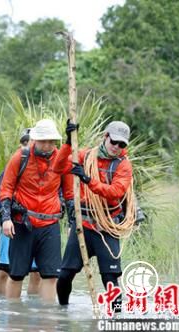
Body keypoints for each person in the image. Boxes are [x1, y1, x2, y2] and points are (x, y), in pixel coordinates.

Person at [53, 121, 133, 311]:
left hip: (107, 227)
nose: (117, 147)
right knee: (65, 275)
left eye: (122, 145)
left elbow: (115, 191)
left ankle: (116, 320)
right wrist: (67, 143)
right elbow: (58, 168)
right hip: (83, 226)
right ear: (106, 136)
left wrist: (88, 180)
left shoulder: (123, 165)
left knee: (110, 279)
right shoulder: (86, 156)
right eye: (114, 142)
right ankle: (62, 315)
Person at [0, 119, 73, 302]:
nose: (47, 145)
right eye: (43, 141)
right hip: (23, 222)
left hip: (50, 224)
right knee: (16, 274)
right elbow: (6, 189)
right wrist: (6, 219)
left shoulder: (63, 160)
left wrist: (72, 223)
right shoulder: (20, 157)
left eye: (51, 141)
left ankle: (47, 321)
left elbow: (70, 194)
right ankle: (13, 317)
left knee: (50, 275)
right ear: (34, 140)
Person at [0, 128, 42, 296]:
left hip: (39, 225)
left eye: (30, 141)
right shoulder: (14, 165)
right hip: (13, 223)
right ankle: (2, 308)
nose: (27, 144)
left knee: (37, 273)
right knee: (5, 270)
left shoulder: (46, 167)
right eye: (24, 141)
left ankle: (33, 314)